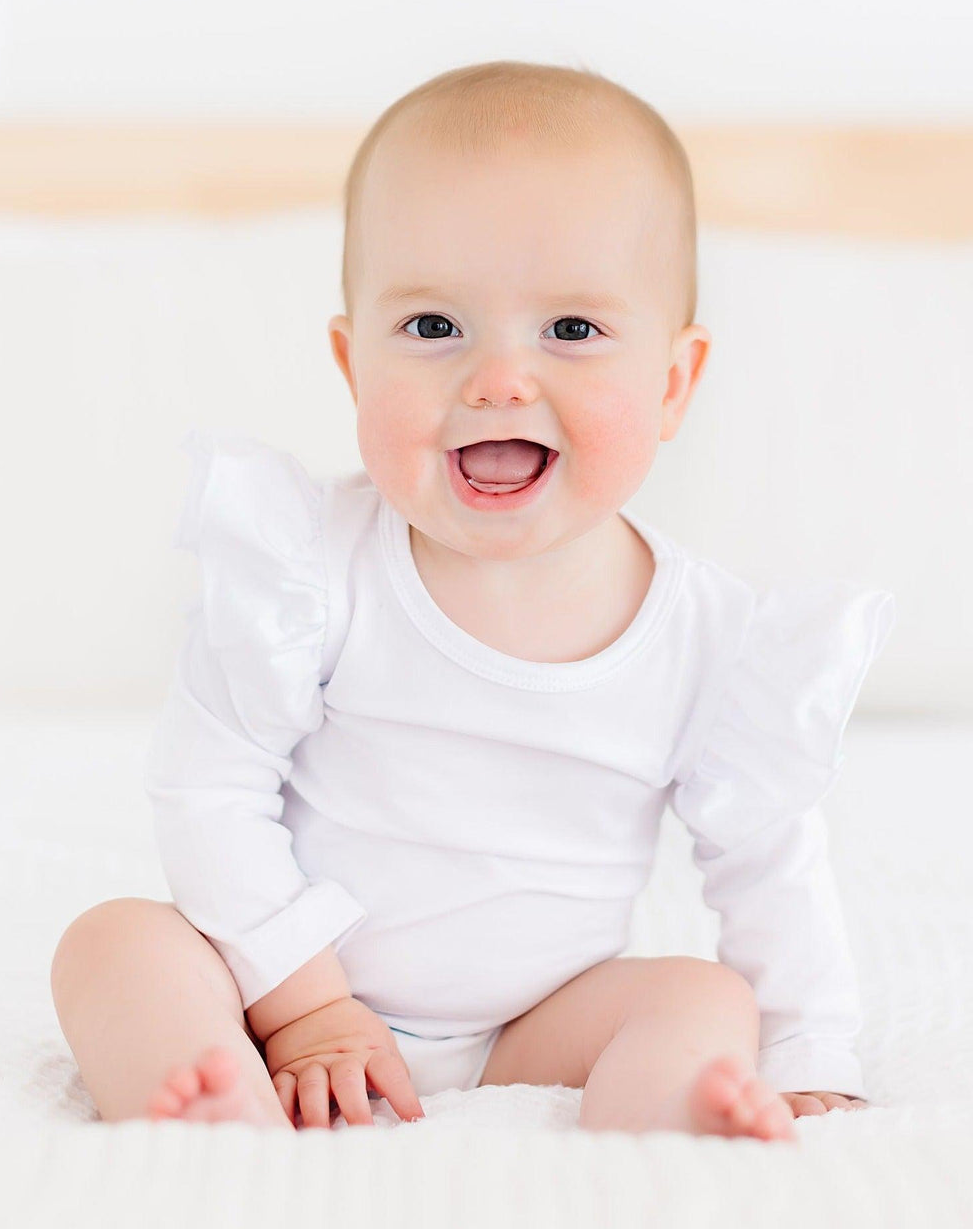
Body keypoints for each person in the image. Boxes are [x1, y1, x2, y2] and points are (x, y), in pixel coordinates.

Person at [50, 60, 894, 1141]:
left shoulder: (712, 642)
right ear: (353, 365)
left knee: (706, 997)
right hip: (280, 985)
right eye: (435, 327)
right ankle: (215, 1099)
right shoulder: (309, 570)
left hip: (532, 1023)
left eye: (573, 331)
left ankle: (666, 1114)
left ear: (674, 383)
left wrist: (811, 1050)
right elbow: (205, 787)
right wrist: (306, 1007)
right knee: (113, 941)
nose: (499, 377)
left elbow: (771, 861)